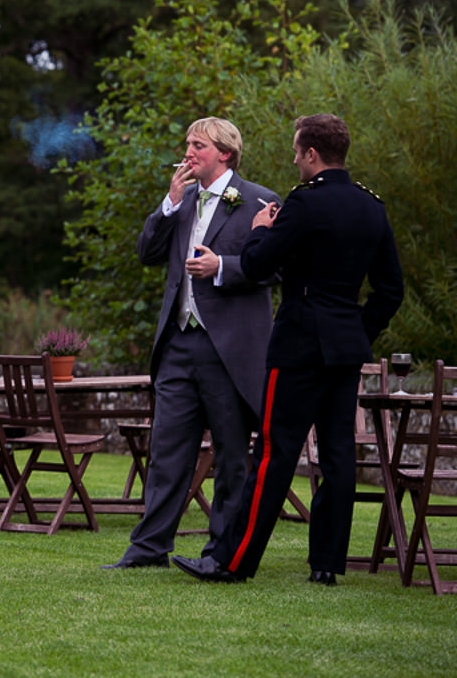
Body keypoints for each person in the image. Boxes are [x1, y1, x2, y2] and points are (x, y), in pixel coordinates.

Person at [172, 113, 404, 585]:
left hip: (298, 347)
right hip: (344, 351)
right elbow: (390, 291)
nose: (295, 158)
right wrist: (357, 332)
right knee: (338, 457)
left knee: (274, 455)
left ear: (312, 153)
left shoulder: (302, 204)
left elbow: (257, 265)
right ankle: (326, 567)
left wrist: (260, 228)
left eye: (298, 151)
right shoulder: (371, 208)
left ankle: (234, 562)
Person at [102, 117, 280, 570]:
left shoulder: (261, 201)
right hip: (178, 344)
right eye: (187, 144)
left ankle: (220, 553)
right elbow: (147, 253)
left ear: (225, 152)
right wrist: (168, 203)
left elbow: (276, 270)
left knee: (231, 456)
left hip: (228, 349)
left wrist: (223, 266)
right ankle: (148, 550)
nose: (188, 152)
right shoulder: (181, 201)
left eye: (197, 145)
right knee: (165, 453)